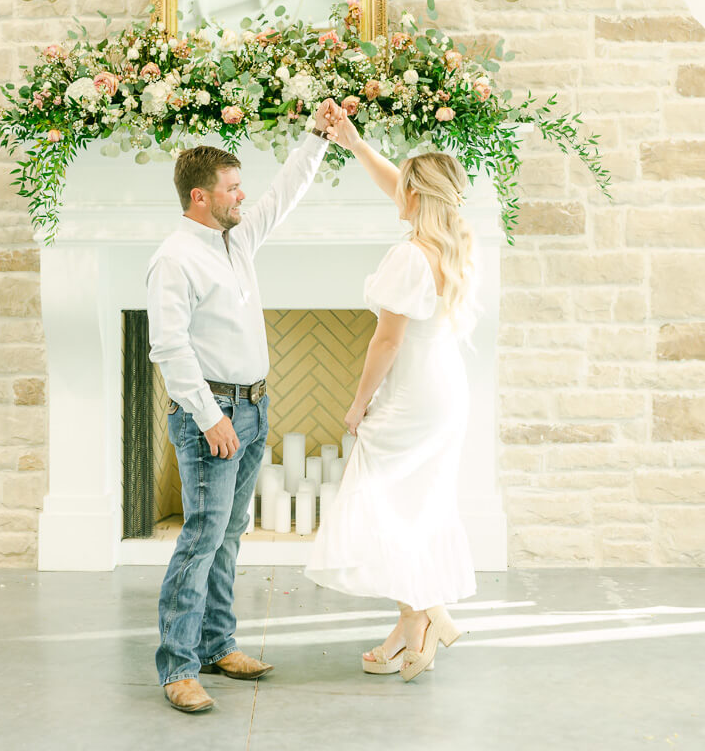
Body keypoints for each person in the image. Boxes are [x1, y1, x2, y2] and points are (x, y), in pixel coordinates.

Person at [147, 99, 340, 714]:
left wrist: (316, 136)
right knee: (201, 537)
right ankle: (178, 667)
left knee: (229, 533)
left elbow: (283, 194)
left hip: (254, 408)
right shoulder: (174, 258)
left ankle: (217, 644)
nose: (243, 197)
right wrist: (211, 419)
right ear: (200, 198)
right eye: (232, 189)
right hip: (213, 416)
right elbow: (169, 349)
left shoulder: (237, 241)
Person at [305, 111, 477, 682]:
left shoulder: (410, 255)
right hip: (444, 387)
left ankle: (426, 612)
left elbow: (385, 340)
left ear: (414, 196)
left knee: (377, 501)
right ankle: (414, 623)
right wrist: (355, 143)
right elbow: (394, 182)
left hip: (414, 393)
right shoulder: (447, 243)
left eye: (401, 184)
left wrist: (358, 405)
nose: (393, 190)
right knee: (413, 505)